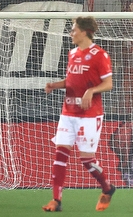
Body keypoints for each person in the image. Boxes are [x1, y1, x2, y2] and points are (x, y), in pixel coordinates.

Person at [43, 16, 116, 212]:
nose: (71, 33)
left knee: (87, 161)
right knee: (60, 155)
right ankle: (56, 201)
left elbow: (108, 84)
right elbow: (71, 81)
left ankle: (107, 188)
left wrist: (91, 91)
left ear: (84, 32)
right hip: (68, 112)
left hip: (89, 115)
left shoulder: (100, 55)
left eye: (73, 30)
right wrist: (55, 85)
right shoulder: (72, 53)